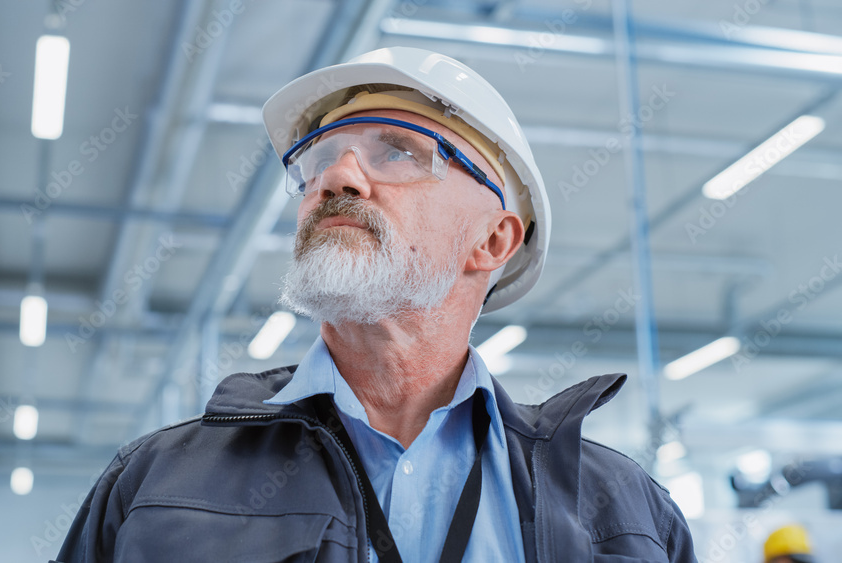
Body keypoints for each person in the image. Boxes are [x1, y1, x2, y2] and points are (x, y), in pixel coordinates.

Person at [53, 46, 696, 562]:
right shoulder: (155, 489)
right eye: (321, 159)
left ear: (493, 240)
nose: (337, 177)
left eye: (401, 150)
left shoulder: (626, 517)